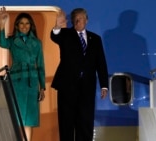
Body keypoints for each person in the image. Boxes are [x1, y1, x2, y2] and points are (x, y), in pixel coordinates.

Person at [50, 8, 109, 141]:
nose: (78, 21)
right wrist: (57, 27)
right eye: (75, 19)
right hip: (67, 87)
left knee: (85, 122)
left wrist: (104, 85)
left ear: (86, 20)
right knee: (66, 122)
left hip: (87, 87)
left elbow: (101, 63)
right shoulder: (65, 34)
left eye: (81, 18)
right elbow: (55, 36)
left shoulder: (95, 39)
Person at [0, 7, 46, 141]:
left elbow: (40, 65)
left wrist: (42, 87)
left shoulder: (37, 43)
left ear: (31, 26)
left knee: (29, 118)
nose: (24, 26)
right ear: (17, 26)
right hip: (16, 82)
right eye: (21, 23)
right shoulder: (12, 41)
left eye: (27, 23)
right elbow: (1, 42)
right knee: (16, 116)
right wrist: (2, 23)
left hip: (31, 83)